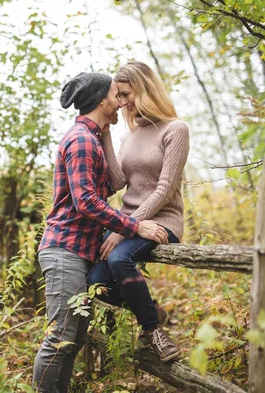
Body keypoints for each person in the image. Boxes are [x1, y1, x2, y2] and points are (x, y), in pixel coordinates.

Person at [33, 72, 169, 392]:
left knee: (75, 338)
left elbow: (114, 183)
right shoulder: (81, 140)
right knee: (60, 339)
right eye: (114, 95)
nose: (120, 102)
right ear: (100, 100)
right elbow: (87, 203)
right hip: (65, 250)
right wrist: (136, 225)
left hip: (78, 253)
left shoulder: (93, 138)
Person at [87, 61, 190, 362]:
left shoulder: (175, 129)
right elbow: (119, 182)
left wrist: (124, 228)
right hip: (129, 223)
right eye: (118, 96)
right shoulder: (129, 135)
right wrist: (106, 133)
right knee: (96, 283)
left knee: (120, 257)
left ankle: (153, 332)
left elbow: (165, 187)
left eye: (126, 94)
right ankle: (151, 309)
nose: (121, 103)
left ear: (144, 89)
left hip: (161, 221)